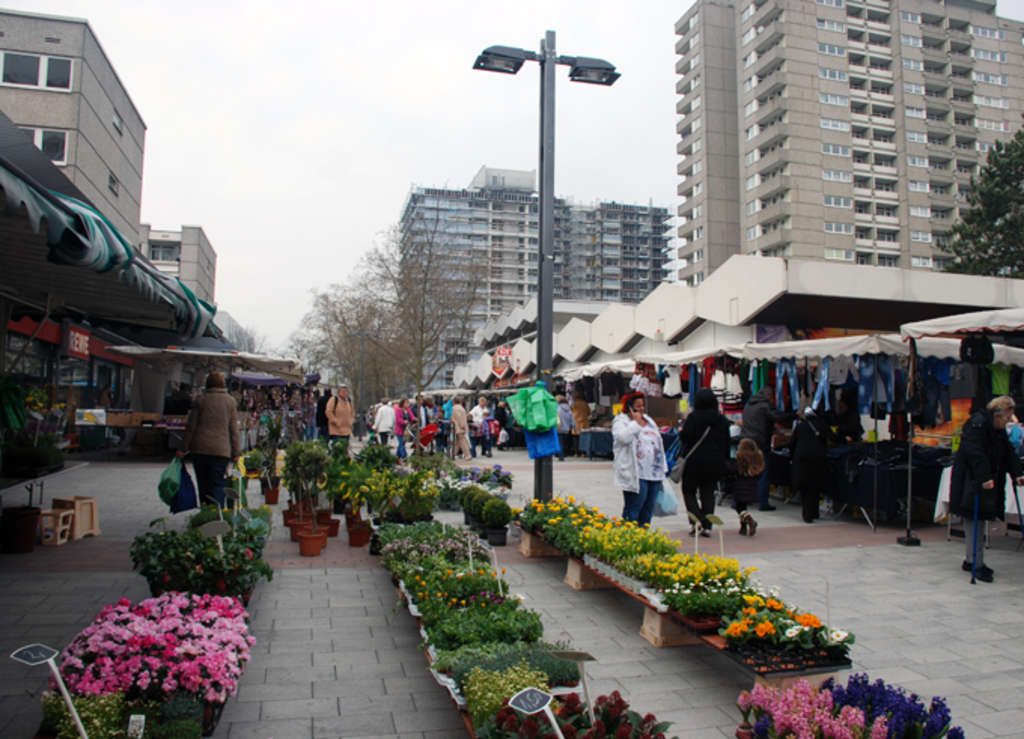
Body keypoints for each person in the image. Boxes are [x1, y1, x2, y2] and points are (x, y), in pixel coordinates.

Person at [950, 395, 1024, 583]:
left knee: (979, 520)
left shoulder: (996, 429)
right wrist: (984, 477)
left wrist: (1017, 473)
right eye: (1007, 418)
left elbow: (1007, 451)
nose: (1008, 422)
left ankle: (972, 560)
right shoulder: (978, 425)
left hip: (983, 480)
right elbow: (975, 453)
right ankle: (975, 562)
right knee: (974, 521)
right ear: (998, 415)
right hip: (971, 481)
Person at [177, 371, 242, 509]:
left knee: (203, 483)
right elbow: (233, 430)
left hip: (200, 449)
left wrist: (182, 448)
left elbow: (191, 427)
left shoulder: (200, 400)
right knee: (218, 483)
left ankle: (205, 512)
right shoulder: (230, 402)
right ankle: (217, 513)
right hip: (221, 450)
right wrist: (236, 453)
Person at [678, 388, 731, 536]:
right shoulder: (722, 420)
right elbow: (727, 442)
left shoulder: (693, 417)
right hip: (715, 462)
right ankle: (707, 525)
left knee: (688, 491)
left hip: (694, 462)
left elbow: (685, 438)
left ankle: (697, 521)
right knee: (708, 493)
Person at [612, 392, 666, 527]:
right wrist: (635, 423)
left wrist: (663, 467)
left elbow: (658, 443)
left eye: (643, 406)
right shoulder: (621, 421)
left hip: (653, 473)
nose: (641, 409)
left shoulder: (649, 420)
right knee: (634, 507)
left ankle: (642, 537)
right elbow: (623, 438)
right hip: (636, 473)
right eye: (638, 406)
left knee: (648, 509)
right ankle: (628, 538)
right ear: (629, 407)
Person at [740, 386, 779, 511]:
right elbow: (777, 417)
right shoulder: (765, 406)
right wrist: (794, 415)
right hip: (760, 443)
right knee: (763, 472)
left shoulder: (748, 404)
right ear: (768, 396)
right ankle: (763, 502)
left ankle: (739, 500)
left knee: (746, 472)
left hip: (746, 442)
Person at [790, 406, 831, 523]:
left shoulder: (800, 426)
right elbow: (833, 437)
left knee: (805, 487)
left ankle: (807, 514)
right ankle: (815, 512)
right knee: (815, 486)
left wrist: (791, 456)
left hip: (802, 460)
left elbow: (792, 443)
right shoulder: (822, 425)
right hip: (818, 459)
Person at [726, 439, 765, 536]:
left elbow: (732, 470)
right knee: (743, 507)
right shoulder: (758, 459)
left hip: (739, 487)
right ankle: (743, 527)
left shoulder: (740, 458)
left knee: (739, 507)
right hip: (753, 488)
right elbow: (760, 474)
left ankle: (749, 520)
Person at [556, 395, 577, 461]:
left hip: (559, 428)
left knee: (560, 442)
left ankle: (561, 456)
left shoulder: (558, 409)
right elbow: (572, 420)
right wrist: (574, 427)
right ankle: (562, 454)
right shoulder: (569, 410)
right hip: (566, 429)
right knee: (564, 442)